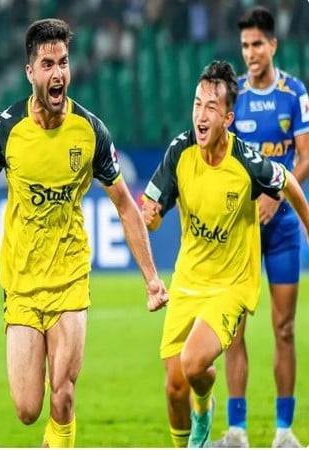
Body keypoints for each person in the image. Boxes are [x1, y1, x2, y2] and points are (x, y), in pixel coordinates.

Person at [0, 18, 168, 448]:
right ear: (30, 72)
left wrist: (150, 277)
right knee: (27, 408)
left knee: (64, 394)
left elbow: (125, 205)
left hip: (70, 276)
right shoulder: (6, 129)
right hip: (21, 281)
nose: (58, 74)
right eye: (48, 64)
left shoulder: (89, 131)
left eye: (64, 63)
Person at [142, 60, 309, 448]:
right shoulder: (180, 150)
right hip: (188, 280)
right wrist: (149, 216)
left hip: (231, 285)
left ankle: (208, 411)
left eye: (211, 108)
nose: (200, 114)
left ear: (228, 118)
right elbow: (151, 210)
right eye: (197, 104)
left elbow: (289, 184)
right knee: (174, 387)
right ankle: (198, 420)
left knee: (194, 361)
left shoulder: (246, 162)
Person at [213, 7, 309, 448]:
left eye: (257, 44)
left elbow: (304, 157)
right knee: (233, 329)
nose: (250, 53)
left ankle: (285, 431)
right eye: (245, 46)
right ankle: (236, 431)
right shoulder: (236, 98)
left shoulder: (295, 94)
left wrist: (277, 193)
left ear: (273, 45)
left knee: (284, 328)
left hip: (285, 227)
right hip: (244, 229)